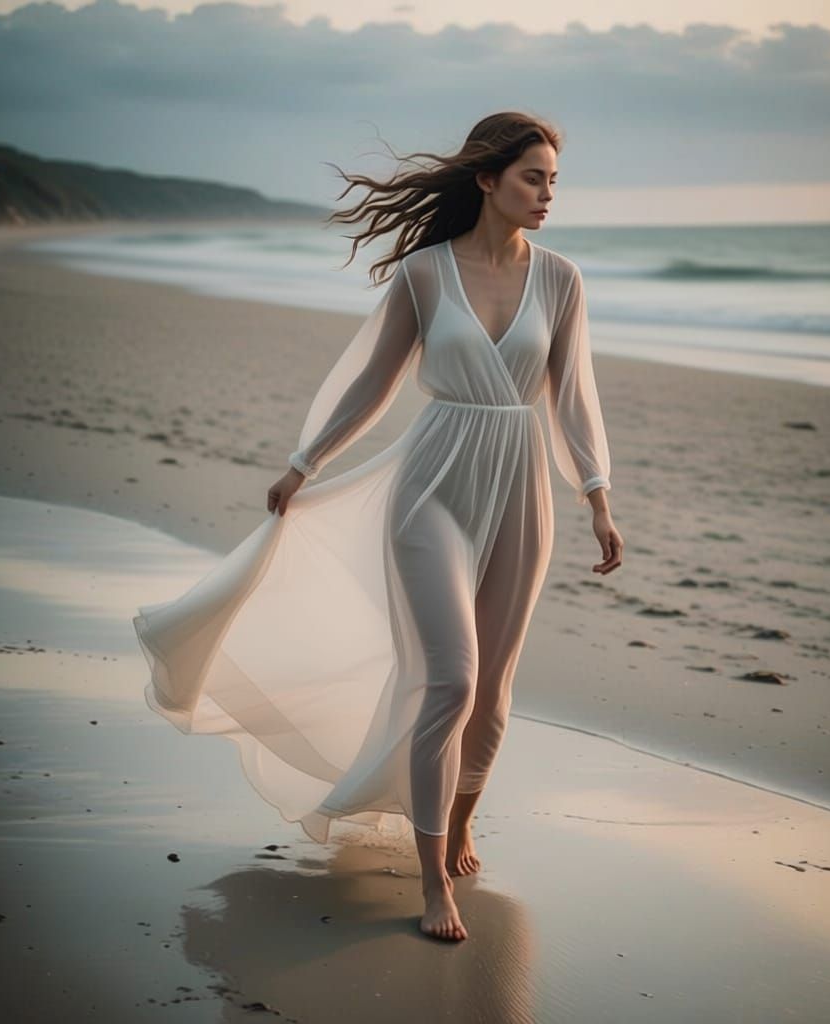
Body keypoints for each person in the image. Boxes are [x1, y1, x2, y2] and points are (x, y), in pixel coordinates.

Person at [133, 110, 623, 944]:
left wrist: (597, 493)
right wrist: (305, 461)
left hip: (521, 488)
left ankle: (460, 823)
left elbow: (572, 393)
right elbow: (373, 385)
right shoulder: (427, 274)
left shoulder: (563, 279)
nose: (546, 195)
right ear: (486, 180)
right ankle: (434, 883)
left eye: (552, 181)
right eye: (531, 178)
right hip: (432, 484)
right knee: (452, 683)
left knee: (495, 694)